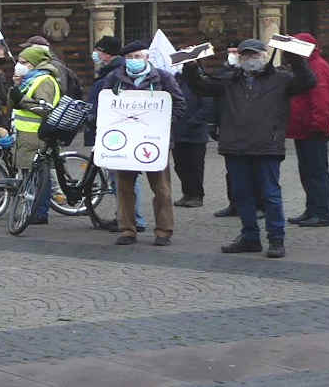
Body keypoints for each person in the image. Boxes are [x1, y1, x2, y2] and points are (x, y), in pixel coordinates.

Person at [181, 39, 314, 258]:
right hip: (236, 146)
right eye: (246, 55)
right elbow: (201, 86)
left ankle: (276, 238)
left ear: (264, 56)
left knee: (270, 195)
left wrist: (296, 58)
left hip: (267, 145)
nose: (250, 59)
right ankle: (250, 237)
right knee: (242, 195)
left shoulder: (281, 79)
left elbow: (308, 82)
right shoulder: (229, 80)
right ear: (240, 58)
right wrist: (191, 64)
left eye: (255, 55)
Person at [106, 41, 183, 246]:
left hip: (154, 142)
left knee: (162, 188)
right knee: (124, 188)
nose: (133, 61)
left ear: (147, 57)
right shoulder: (114, 78)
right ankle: (127, 230)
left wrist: (163, 125)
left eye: (137, 57)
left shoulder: (163, 77)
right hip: (125, 142)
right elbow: (102, 105)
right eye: (130, 58)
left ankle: (163, 231)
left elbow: (179, 104)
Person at [3, 44, 62, 224]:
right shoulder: (28, 79)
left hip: (38, 135)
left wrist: (21, 98)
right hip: (24, 136)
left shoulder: (44, 81)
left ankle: (39, 212)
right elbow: (13, 105)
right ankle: (33, 209)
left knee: (39, 177)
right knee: (29, 175)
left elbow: (45, 109)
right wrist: (16, 88)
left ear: (34, 63)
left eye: (23, 62)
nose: (18, 65)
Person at [286, 31, 329, 227]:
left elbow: (322, 100)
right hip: (304, 128)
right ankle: (312, 209)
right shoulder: (308, 66)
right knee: (307, 172)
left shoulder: (318, 67)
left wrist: (318, 125)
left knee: (316, 172)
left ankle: (323, 213)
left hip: (313, 129)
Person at [171, 75, 216, 207]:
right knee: (180, 166)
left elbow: (208, 106)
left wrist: (193, 122)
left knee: (195, 166)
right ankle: (187, 194)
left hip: (195, 133)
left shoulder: (200, 82)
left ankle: (197, 196)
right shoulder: (176, 80)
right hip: (178, 131)